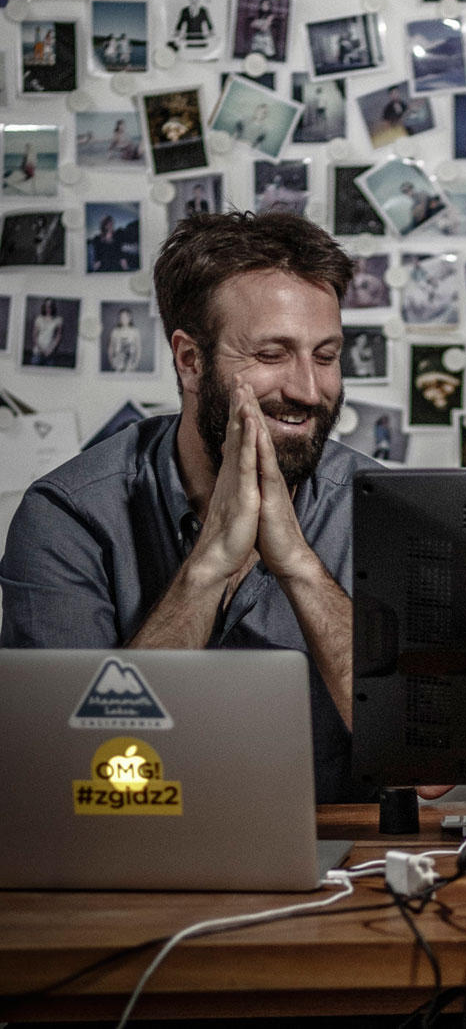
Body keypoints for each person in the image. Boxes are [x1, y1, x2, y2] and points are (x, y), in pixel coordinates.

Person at [0, 211, 376, 803]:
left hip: (339, 854)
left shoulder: (375, 506)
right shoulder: (68, 517)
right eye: (272, 354)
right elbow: (68, 774)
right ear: (190, 360)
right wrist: (210, 565)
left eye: (325, 356)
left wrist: (301, 567)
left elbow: (431, 772)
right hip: (130, 842)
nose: (308, 389)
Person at [107, 305, 141, 373]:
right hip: (117, 362)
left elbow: (138, 347)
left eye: (125, 317)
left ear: (130, 318)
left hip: (130, 363)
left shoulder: (135, 331)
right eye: (121, 317)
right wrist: (111, 361)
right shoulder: (115, 331)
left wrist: (136, 363)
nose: (123, 319)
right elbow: (111, 347)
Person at [29, 297, 63, 365]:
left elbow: (58, 336)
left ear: (53, 307)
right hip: (38, 352)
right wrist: (41, 350)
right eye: (46, 306)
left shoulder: (58, 319)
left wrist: (51, 350)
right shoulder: (39, 319)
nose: (48, 308)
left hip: (51, 353)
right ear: (44, 306)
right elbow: (34, 336)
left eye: (50, 306)